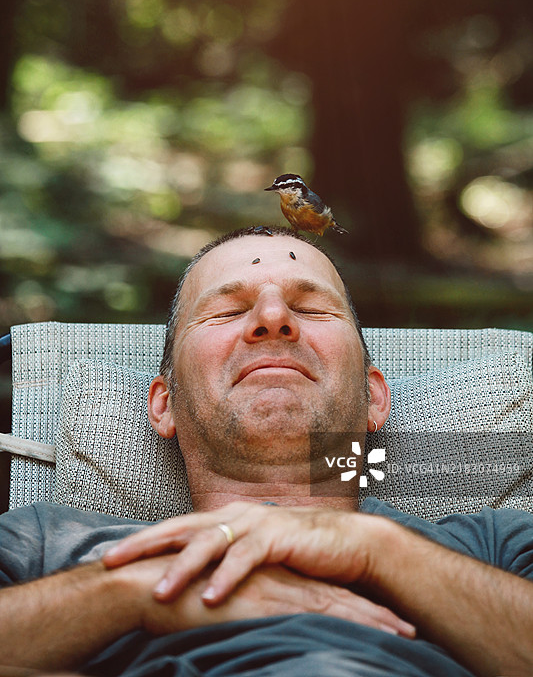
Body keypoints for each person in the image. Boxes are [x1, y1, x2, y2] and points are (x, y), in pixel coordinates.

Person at [1, 226, 533, 677]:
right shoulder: (48, 547)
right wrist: (133, 591)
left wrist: (380, 551)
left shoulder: (495, 548)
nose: (274, 317)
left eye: (310, 307)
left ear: (373, 398)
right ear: (164, 404)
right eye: (228, 310)